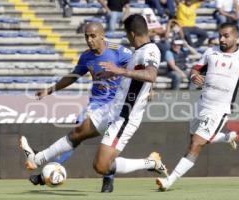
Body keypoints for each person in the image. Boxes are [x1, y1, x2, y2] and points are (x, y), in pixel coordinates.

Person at [20, 14, 168, 190]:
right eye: (86, 36)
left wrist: (119, 71)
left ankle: (149, 163)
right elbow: (132, 75)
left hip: (124, 116)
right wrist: (111, 73)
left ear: (132, 34)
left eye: (92, 36)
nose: (89, 40)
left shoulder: (148, 51)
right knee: (78, 132)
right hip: (111, 107)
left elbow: (150, 75)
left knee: (101, 166)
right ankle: (37, 158)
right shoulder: (133, 51)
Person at [156, 22, 239, 191]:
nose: (221, 39)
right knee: (194, 140)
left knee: (196, 144)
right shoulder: (210, 52)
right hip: (202, 104)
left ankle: (169, 180)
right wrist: (194, 77)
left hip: (220, 109)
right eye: (220, 35)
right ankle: (226, 137)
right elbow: (195, 70)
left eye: (226, 36)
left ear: (236, 37)